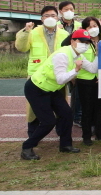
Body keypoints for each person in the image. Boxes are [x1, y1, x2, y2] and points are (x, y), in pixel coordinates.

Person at [20, 29, 91, 160]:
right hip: (37, 89)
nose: (85, 45)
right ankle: (27, 147)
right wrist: (76, 70)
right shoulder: (62, 55)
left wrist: (99, 54)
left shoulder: (78, 56)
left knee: (66, 114)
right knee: (48, 122)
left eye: (87, 42)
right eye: (82, 41)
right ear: (73, 41)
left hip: (52, 90)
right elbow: (60, 79)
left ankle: (65, 145)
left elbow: (92, 68)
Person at [15, 5, 69, 138]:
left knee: (61, 106)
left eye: (53, 15)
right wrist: (26, 31)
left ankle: (61, 133)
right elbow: (21, 48)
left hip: (57, 77)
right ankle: (33, 134)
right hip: (37, 77)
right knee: (34, 108)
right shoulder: (33, 32)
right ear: (41, 18)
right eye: (46, 15)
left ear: (58, 18)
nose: (50, 18)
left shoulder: (65, 34)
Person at [62, 17, 101, 146]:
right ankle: (86, 137)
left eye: (95, 25)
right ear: (84, 29)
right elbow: (92, 68)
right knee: (87, 109)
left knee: (100, 109)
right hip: (85, 81)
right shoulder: (82, 45)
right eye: (89, 27)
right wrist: (97, 54)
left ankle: (100, 134)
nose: (93, 29)